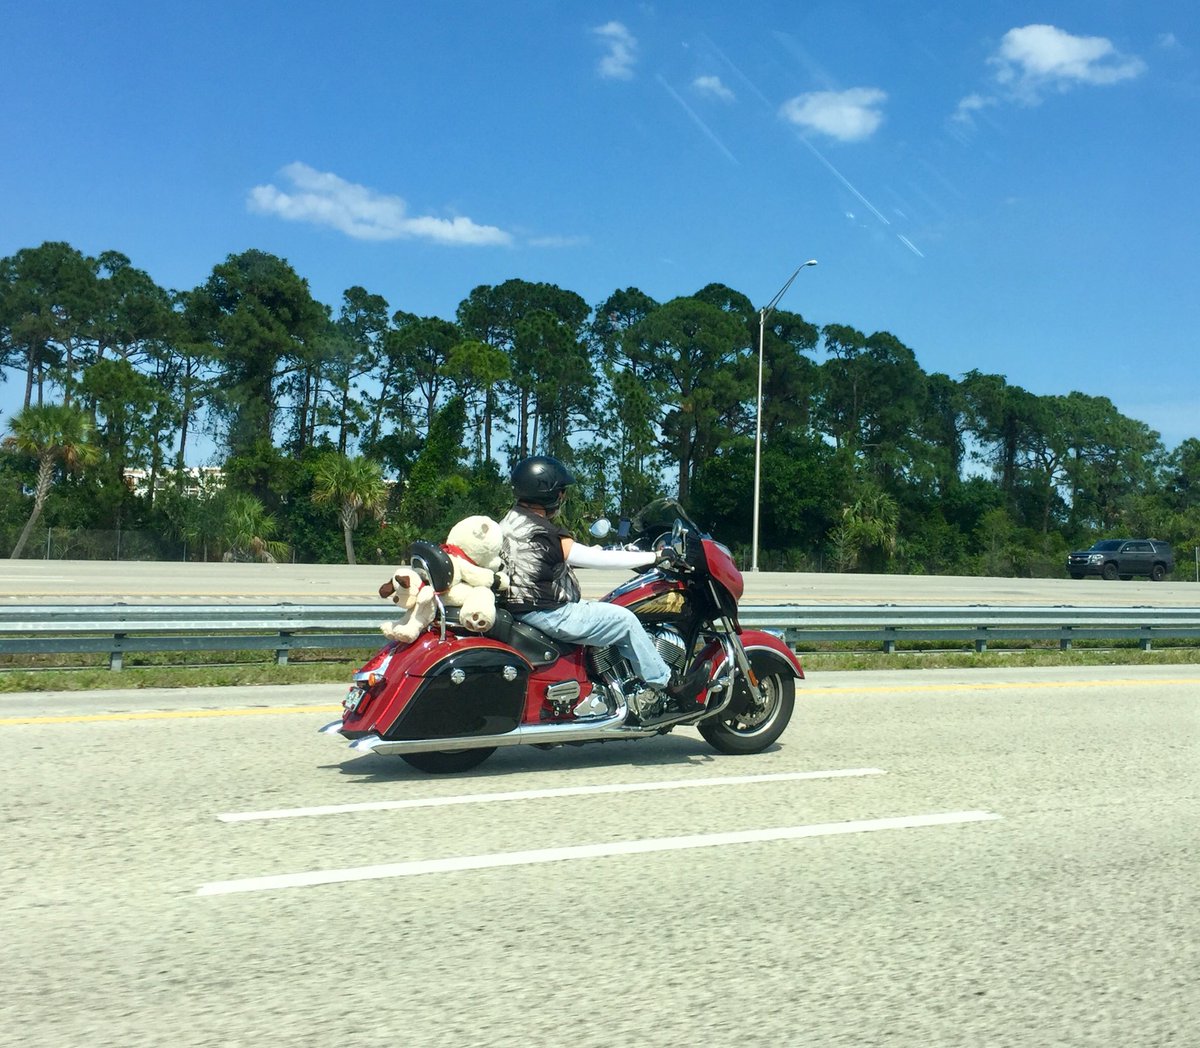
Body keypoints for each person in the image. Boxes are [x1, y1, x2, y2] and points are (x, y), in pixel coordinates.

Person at [499, 455, 711, 716]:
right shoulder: (543, 531)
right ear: (548, 493)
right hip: (549, 612)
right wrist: (655, 557)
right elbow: (596, 560)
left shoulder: (509, 523)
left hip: (523, 609)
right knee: (625, 620)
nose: (563, 497)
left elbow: (547, 561)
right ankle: (670, 685)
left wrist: (596, 551)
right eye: (561, 491)